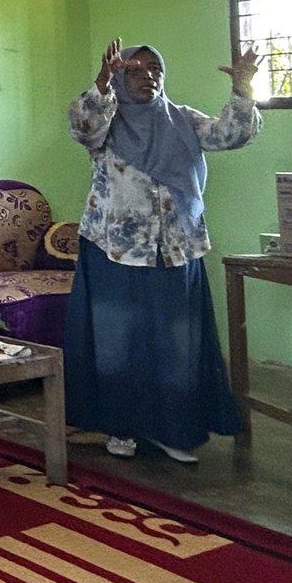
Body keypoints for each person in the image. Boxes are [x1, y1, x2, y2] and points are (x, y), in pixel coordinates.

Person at [64, 39, 261, 464]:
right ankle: (120, 428)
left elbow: (231, 135)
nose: (147, 76)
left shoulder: (182, 119)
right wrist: (102, 82)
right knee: (118, 342)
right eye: (134, 70)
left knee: (176, 344)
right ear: (119, 77)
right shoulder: (107, 121)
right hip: (115, 251)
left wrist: (243, 88)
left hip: (176, 249)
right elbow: (81, 126)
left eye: (155, 69)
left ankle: (171, 430)